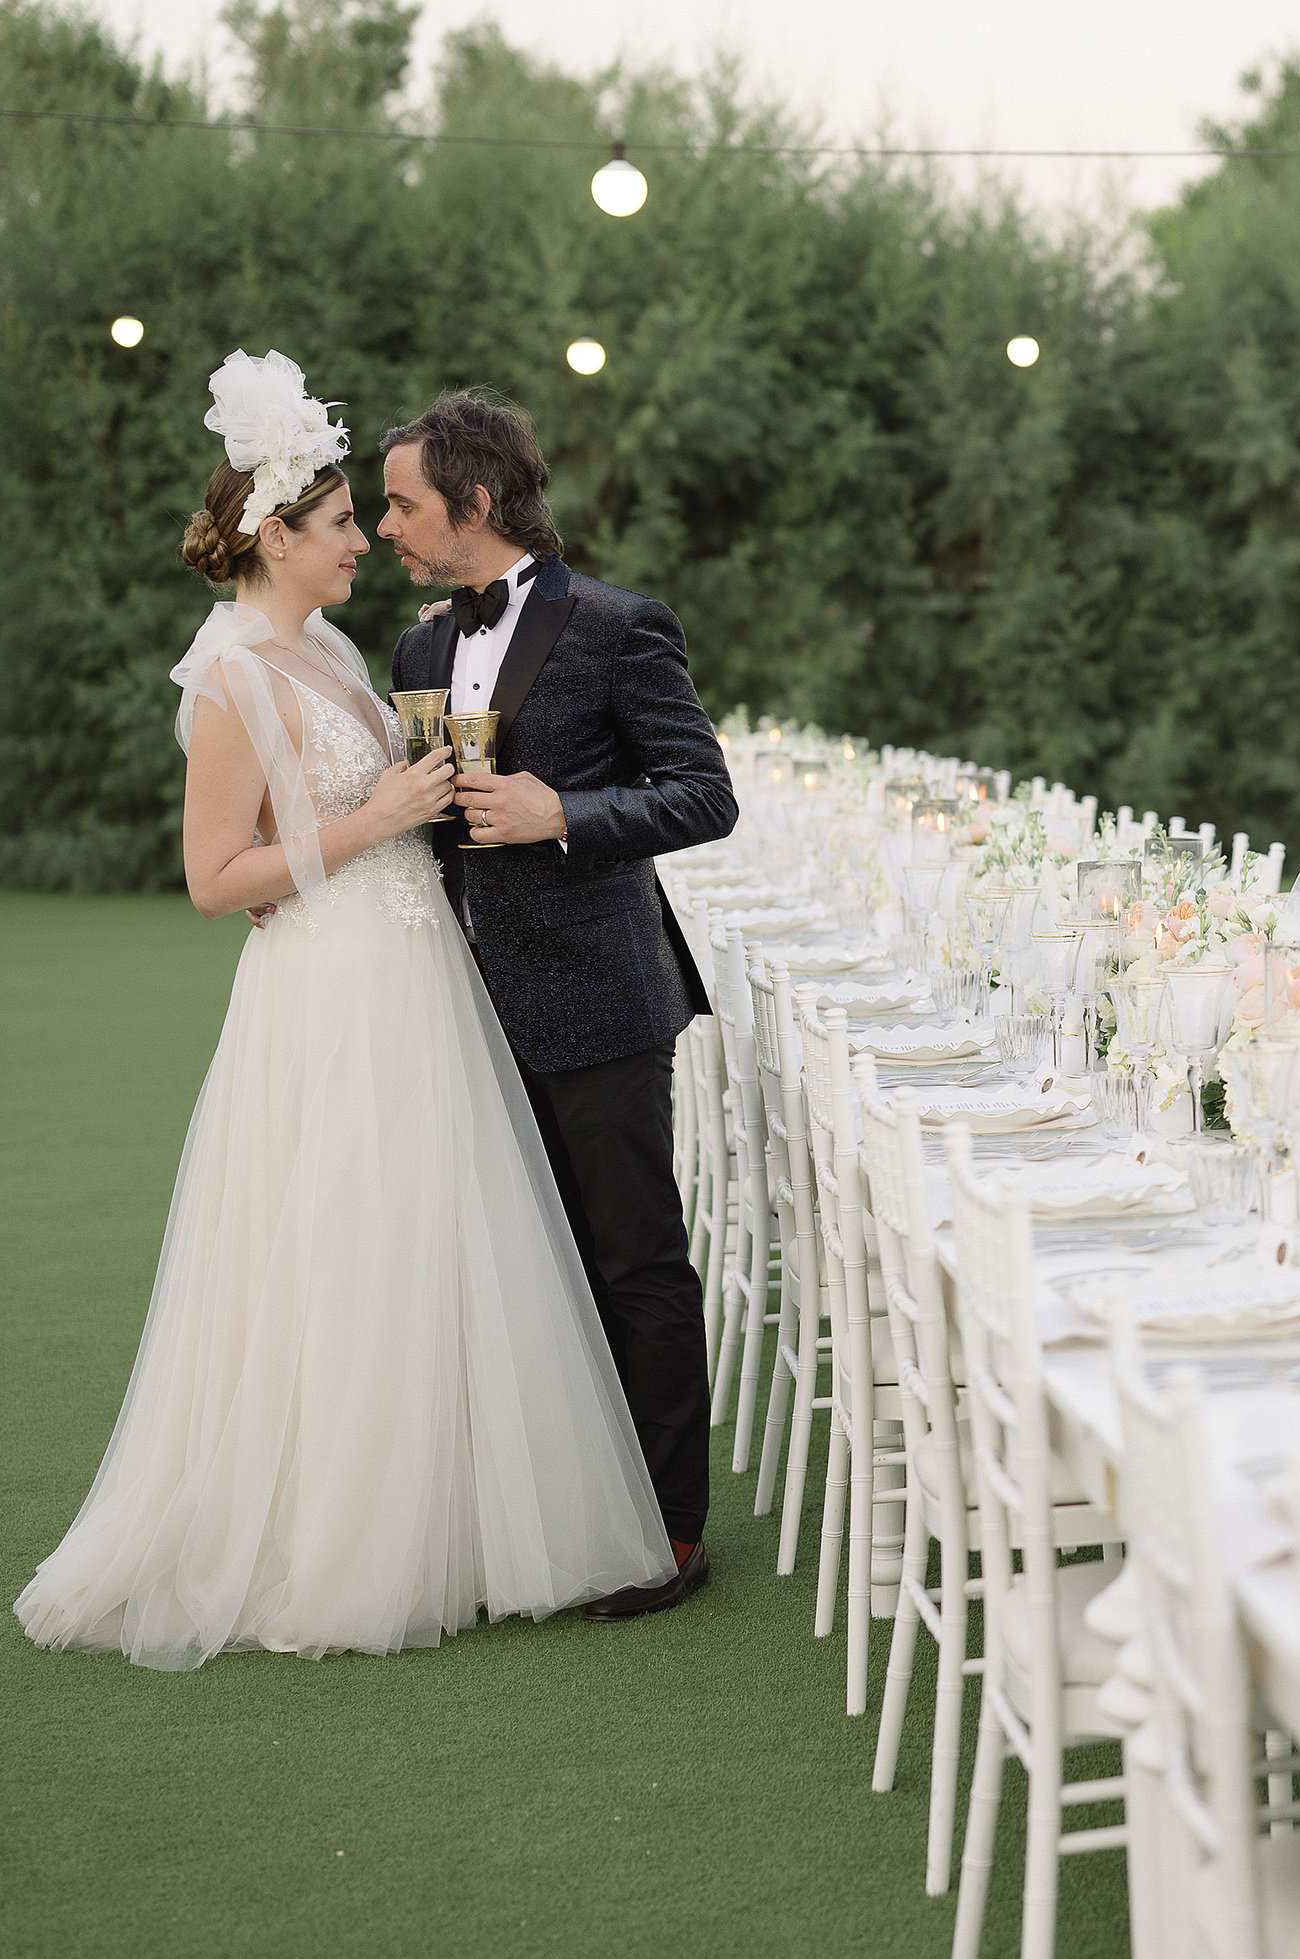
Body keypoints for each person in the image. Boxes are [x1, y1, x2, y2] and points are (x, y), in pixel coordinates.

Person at [14, 351, 678, 1670]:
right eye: (337, 524)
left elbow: (375, 804)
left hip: (418, 966)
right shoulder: (228, 677)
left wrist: (438, 805)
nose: (364, 542)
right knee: (341, 1249)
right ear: (277, 536)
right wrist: (368, 819)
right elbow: (214, 878)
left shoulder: (324, 644)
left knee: (430, 1240)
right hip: (326, 988)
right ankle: (339, 1544)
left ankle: (456, 1520)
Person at [381, 391, 736, 1619]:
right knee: (517, 1268)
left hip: (601, 999)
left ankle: (671, 1534)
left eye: (403, 503)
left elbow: (702, 796)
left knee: (632, 1261)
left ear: (475, 505)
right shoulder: (421, 647)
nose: (386, 526)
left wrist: (565, 814)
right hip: (461, 1009)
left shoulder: (622, 627)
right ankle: (549, 1520)